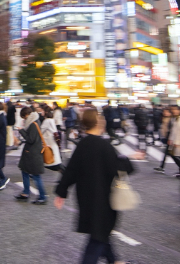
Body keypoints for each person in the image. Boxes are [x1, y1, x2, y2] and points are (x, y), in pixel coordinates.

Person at [55, 108, 135, 264]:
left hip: (86, 197)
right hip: (103, 198)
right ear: (98, 122)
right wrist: (129, 158)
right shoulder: (104, 146)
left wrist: (61, 192)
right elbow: (121, 168)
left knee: (100, 231)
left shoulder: (83, 144)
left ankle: (114, 260)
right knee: (98, 236)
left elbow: (70, 171)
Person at [14, 106, 47, 204]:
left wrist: (21, 130)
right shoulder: (35, 121)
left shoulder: (33, 124)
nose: (24, 119)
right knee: (25, 172)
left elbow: (30, 139)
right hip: (30, 153)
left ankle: (42, 197)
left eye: (24, 117)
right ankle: (25, 192)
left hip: (33, 154)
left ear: (27, 115)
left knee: (36, 176)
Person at [40, 107, 64, 174]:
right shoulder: (51, 120)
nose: (41, 112)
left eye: (42, 110)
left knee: (53, 164)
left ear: (46, 112)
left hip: (49, 144)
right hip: (52, 144)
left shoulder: (47, 121)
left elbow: (40, 131)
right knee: (56, 164)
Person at [168, 105, 180, 177]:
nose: (175, 111)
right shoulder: (176, 119)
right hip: (175, 141)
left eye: (177, 110)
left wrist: (177, 142)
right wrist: (170, 139)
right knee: (174, 155)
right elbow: (173, 131)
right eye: (174, 110)